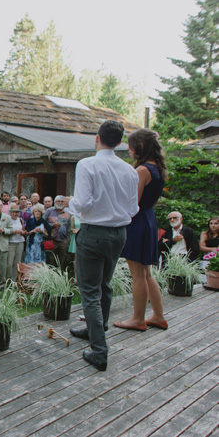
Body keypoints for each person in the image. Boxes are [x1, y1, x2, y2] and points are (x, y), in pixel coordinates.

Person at [66, 120, 139, 372]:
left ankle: (100, 352)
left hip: (93, 233)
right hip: (119, 234)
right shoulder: (130, 170)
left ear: (97, 138)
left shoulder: (87, 164)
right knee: (104, 284)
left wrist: (70, 203)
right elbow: (133, 209)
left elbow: (83, 203)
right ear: (119, 142)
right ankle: (97, 328)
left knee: (89, 292)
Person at [115, 128, 168, 333]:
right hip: (149, 219)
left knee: (137, 274)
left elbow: (132, 203)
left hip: (137, 222)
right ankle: (158, 316)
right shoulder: (158, 169)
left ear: (140, 146)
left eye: (131, 145)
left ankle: (138, 319)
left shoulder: (142, 170)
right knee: (146, 273)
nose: (128, 149)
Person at [44, 195, 72, 270]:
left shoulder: (67, 213)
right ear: (54, 202)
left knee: (61, 261)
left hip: (63, 241)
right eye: (58, 201)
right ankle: (49, 278)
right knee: (50, 260)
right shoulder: (49, 211)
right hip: (50, 240)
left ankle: (58, 278)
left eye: (62, 201)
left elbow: (69, 228)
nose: (60, 203)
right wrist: (52, 225)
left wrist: (68, 240)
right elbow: (42, 223)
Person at [6, 205, 27, 282]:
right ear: (11, 213)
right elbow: (6, 232)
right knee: (9, 263)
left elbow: (24, 231)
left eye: (17, 212)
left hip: (20, 242)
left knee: (17, 262)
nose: (15, 214)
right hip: (11, 243)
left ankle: (14, 280)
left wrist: (23, 232)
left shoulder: (21, 220)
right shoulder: (8, 220)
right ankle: (8, 279)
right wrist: (15, 232)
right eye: (14, 212)